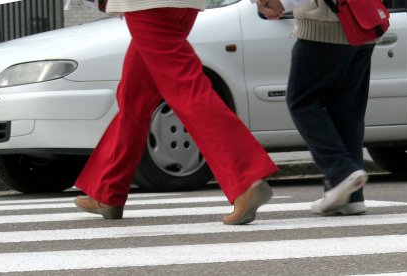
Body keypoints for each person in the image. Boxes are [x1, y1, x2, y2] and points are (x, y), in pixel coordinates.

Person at [74, 0, 278, 224]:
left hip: (146, 5)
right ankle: (106, 190)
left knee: (186, 88)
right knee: (135, 96)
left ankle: (245, 179)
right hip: (183, 5)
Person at [257, 0, 375, 215]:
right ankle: (350, 197)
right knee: (346, 110)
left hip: (326, 27)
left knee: (301, 101)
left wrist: (282, 2)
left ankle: (342, 172)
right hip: (363, 24)